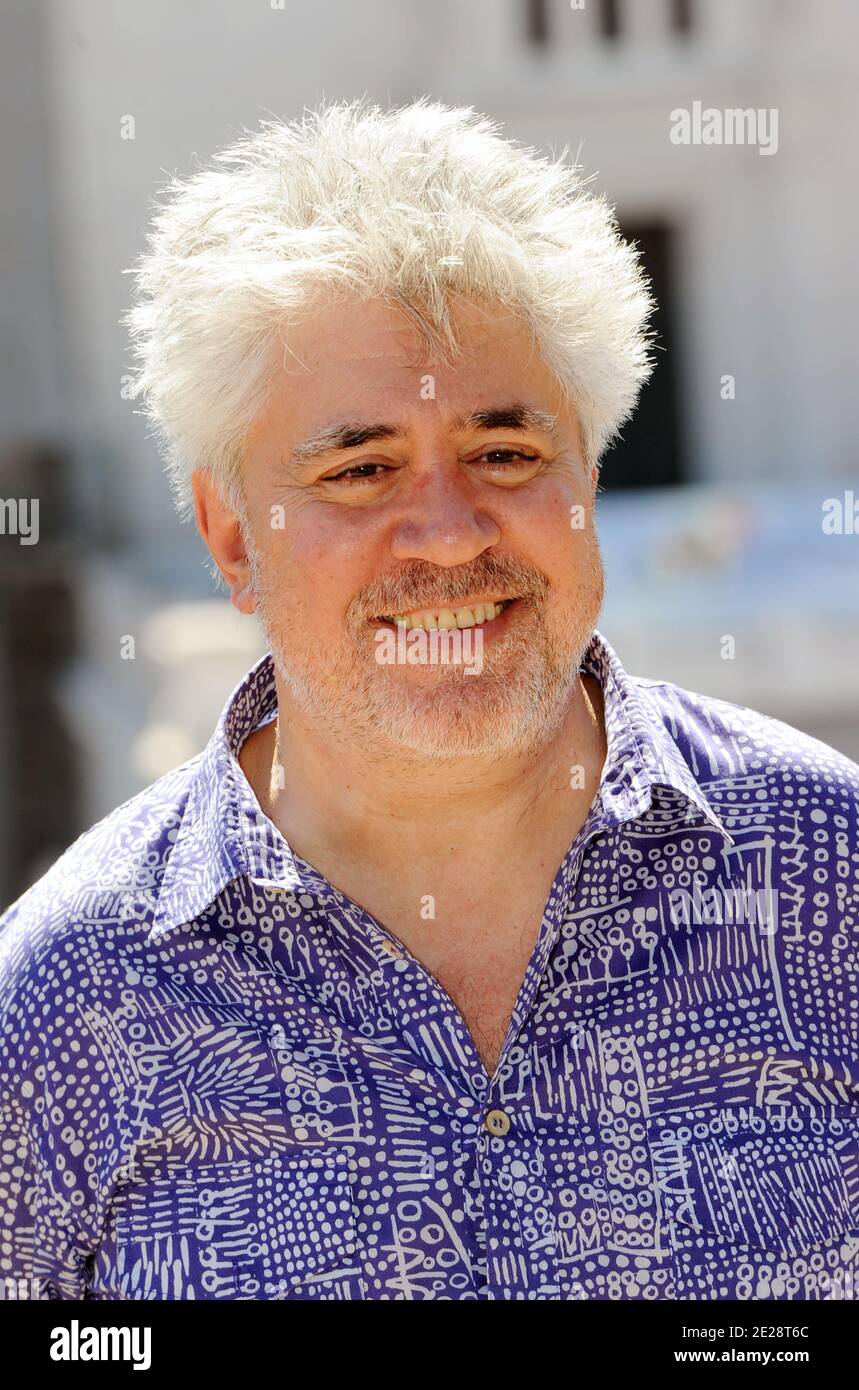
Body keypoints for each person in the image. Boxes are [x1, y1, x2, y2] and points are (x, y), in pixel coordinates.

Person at [1, 98, 856, 1302]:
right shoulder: (65, 995)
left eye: (506, 454)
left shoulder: (833, 878)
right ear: (231, 537)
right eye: (360, 470)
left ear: (586, 478)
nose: (450, 537)